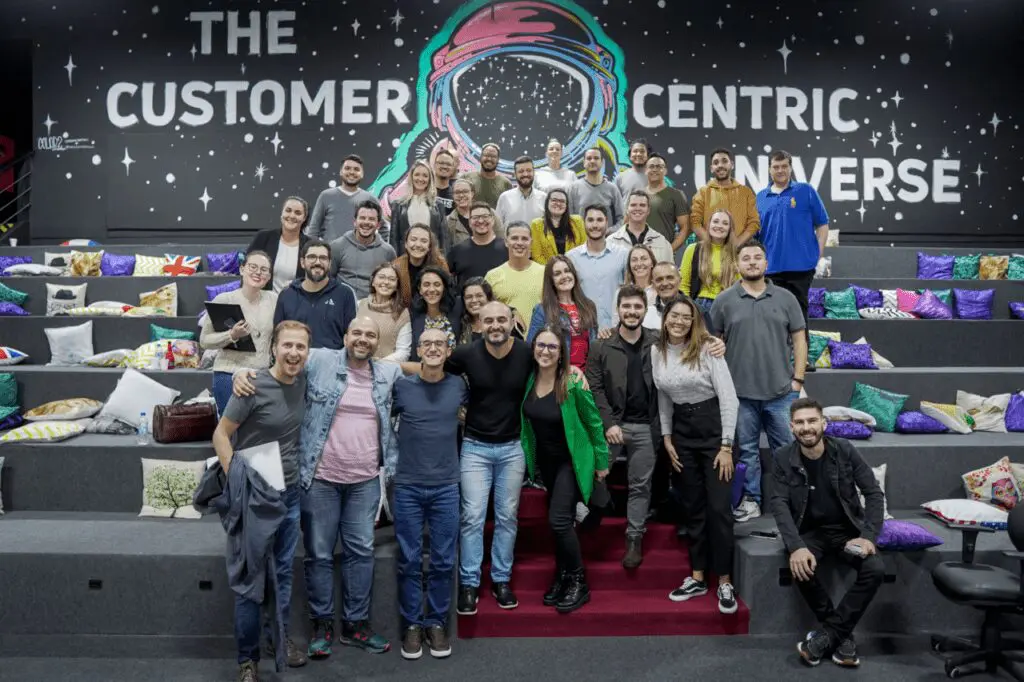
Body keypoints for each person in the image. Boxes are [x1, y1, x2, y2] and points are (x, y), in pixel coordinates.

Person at [233, 318, 403, 660]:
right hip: (320, 478)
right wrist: (243, 372)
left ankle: (356, 625)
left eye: (370, 335)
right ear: (345, 336)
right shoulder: (320, 359)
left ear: (378, 343)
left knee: (361, 552)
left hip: (365, 481)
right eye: (357, 333)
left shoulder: (389, 373)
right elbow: (284, 365)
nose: (363, 339)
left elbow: (421, 371)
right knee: (319, 554)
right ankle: (321, 626)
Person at [212, 321, 312, 679]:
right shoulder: (251, 385)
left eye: (300, 347)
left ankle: (278, 641)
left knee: (282, 574)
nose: (294, 353)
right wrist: (237, 481)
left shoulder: (303, 380)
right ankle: (247, 659)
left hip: (289, 495)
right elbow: (221, 435)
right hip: (255, 498)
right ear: (273, 348)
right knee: (250, 582)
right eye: (287, 345)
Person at [771, 398, 885, 668]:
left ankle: (827, 636)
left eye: (812, 421)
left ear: (823, 423)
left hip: (847, 530)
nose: (806, 427)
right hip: (809, 532)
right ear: (791, 427)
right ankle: (839, 635)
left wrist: (868, 536)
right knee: (800, 566)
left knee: (876, 569)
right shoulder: (782, 457)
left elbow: (873, 493)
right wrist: (796, 546)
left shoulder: (844, 450)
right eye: (799, 422)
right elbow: (779, 503)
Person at [709, 240, 807, 523]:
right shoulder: (723, 301)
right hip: (739, 395)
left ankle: (790, 501)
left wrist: (797, 380)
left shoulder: (786, 298)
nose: (752, 262)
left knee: (787, 451)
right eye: (746, 258)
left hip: (781, 393)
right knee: (747, 452)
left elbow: (800, 340)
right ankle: (752, 500)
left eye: (757, 257)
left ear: (766, 263)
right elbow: (714, 344)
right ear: (737, 265)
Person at [653, 295, 739, 615]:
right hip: (682, 433)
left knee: (718, 508)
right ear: (665, 318)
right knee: (693, 508)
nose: (679, 321)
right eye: (674, 315)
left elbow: (729, 398)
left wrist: (726, 446)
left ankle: (725, 581)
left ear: (694, 322)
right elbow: (664, 397)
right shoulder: (657, 351)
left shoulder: (707, 348)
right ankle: (698, 577)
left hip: (714, 429)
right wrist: (667, 437)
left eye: (685, 317)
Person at [447, 301, 534, 614]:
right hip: (475, 447)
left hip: (513, 447)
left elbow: (555, 368)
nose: (495, 325)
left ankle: (501, 579)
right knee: (472, 516)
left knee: (507, 517)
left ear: (512, 322)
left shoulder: (526, 353)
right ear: (479, 324)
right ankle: (469, 583)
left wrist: (575, 373)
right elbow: (435, 369)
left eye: (501, 319)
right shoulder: (466, 353)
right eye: (489, 321)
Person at [522, 325, 609, 613]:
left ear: (562, 353)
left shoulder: (572, 382)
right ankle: (562, 575)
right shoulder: (529, 378)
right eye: (541, 345)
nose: (545, 351)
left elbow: (594, 423)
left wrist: (602, 462)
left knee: (559, 521)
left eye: (552, 347)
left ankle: (578, 580)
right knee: (562, 521)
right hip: (545, 464)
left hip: (571, 461)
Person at [392, 328, 468, 661]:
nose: (434, 348)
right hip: (407, 485)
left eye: (440, 343)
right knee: (409, 559)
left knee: (443, 559)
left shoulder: (459, 386)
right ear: (418, 350)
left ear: (449, 351)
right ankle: (412, 624)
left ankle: (436, 622)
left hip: (446, 486)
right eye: (427, 344)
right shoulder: (402, 387)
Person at [585, 286, 659, 568]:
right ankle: (596, 510)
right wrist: (608, 424)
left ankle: (634, 538)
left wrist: (714, 342)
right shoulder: (601, 345)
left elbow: (691, 342)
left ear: (645, 310)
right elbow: (594, 388)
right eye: (626, 306)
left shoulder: (658, 341)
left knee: (640, 485)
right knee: (593, 474)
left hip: (646, 427)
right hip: (613, 425)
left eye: (637, 307)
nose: (632, 312)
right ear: (618, 310)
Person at [755, 149, 829, 370]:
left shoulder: (805, 191)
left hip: (801, 267)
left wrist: (818, 255)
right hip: (770, 269)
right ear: (769, 169)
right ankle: (776, 361)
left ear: (790, 168)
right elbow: (756, 235)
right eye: (776, 167)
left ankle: (801, 360)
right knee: (773, 316)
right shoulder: (760, 197)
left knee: (798, 315)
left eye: (784, 166)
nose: (780, 170)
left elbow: (822, 224)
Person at [201, 250, 278, 416]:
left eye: (264, 269)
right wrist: (231, 335)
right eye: (253, 267)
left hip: (261, 374)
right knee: (231, 427)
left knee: (259, 427)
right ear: (242, 269)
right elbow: (205, 340)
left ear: (269, 276)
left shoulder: (274, 300)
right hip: (228, 373)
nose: (258, 272)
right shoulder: (224, 299)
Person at [274, 240, 358, 350]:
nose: (317, 262)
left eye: (323, 258)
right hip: (294, 357)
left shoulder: (345, 294)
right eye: (312, 257)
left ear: (330, 263)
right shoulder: (287, 294)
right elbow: (278, 336)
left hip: (332, 359)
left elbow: (351, 336)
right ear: (302, 262)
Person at [526, 255, 598, 370]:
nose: (564, 276)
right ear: (551, 280)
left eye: (567, 271)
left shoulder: (589, 306)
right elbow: (532, 347)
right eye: (557, 274)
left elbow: (594, 344)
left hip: (586, 375)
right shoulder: (542, 310)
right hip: (557, 374)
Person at [567, 204, 629, 330]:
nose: (595, 225)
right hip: (583, 330)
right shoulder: (571, 258)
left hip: (616, 329)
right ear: (584, 223)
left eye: (599, 220)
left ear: (607, 222)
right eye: (590, 220)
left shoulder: (623, 254)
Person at [679, 209, 739, 326]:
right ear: (708, 225)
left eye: (725, 223)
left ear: (730, 229)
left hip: (728, 307)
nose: (719, 226)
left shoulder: (736, 254)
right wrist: (688, 308)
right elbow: (684, 285)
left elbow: (740, 286)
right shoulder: (693, 249)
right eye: (715, 221)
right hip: (699, 306)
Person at [690, 147, 760, 246]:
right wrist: (713, 245)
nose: (720, 165)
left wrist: (737, 243)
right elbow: (695, 222)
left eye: (724, 161)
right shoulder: (703, 193)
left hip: (739, 251)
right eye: (716, 163)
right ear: (711, 168)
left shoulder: (746, 192)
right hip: (710, 251)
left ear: (732, 165)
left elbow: (754, 223)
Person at [330, 199, 397, 299]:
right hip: (343, 303)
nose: (366, 222)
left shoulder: (388, 252)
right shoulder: (337, 246)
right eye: (362, 218)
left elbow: (392, 284)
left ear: (378, 225)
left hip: (375, 305)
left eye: (371, 219)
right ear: (355, 222)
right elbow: (328, 280)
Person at [484, 221, 545, 330]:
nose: (519, 243)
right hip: (506, 339)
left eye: (524, 239)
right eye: (514, 238)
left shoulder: (544, 272)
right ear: (506, 242)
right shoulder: (492, 276)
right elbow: (487, 313)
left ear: (531, 242)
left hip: (541, 338)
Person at [307, 154, 378, 243]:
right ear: (340, 172)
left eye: (356, 169)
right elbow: (313, 230)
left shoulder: (370, 199)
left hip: (361, 251)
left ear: (362, 174)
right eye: (347, 168)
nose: (352, 172)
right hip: (330, 251)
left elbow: (383, 229)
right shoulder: (326, 196)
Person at [246, 196, 311, 293]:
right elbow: (247, 270)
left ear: (304, 218)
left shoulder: (309, 245)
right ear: (282, 213)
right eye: (288, 210)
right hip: (261, 299)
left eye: (297, 213)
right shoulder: (263, 238)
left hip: (296, 300)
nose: (292, 215)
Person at [390, 160, 447, 257]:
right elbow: (394, 238)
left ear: (430, 179)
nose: (420, 179)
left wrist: (443, 261)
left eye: (425, 175)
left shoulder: (438, 205)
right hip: (405, 258)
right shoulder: (398, 205)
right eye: (417, 174)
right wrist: (395, 261)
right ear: (411, 177)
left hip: (431, 258)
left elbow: (444, 238)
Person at [356, 262, 412, 361]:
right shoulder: (358, 305)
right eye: (381, 277)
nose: (386, 282)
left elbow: (403, 352)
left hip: (385, 367)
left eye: (392, 279)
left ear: (397, 286)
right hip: (355, 364)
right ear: (373, 281)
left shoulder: (402, 313)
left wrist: (377, 364)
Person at [446, 202, 508, 285]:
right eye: (475, 217)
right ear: (469, 222)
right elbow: (445, 277)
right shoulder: (458, 250)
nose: (480, 221)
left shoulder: (506, 248)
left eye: (485, 216)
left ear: (493, 220)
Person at [409, 266, 462, 360]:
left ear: (444, 288)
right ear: (420, 289)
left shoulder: (458, 307)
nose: (432, 289)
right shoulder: (413, 315)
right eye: (426, 285)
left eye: (437, 284)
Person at [607, 190, 674, 264]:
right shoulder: (610, 242)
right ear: (627, 209)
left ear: (648, 210)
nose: (637, 208)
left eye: (642, 205)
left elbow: (669, 270)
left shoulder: (662, 243)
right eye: (633, 205)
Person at [393, 224, 450, 308]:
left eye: (424, 241)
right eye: (413, 239)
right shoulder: (396, 266)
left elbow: (448, 292)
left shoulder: (440, 264)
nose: (418, 244)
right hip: (404, 311)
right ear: (406, 244)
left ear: (429, 246)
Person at [643, 153, 691, 251]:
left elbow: (685, 228)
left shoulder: (676, 195)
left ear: (665, 171)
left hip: (664, 252)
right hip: (639, 253)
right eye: (651, 166)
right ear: (645, 170)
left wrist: (670, 250)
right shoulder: (638, 195)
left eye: (659, 166)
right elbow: (627, 224)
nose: (655, 169)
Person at [568, 147, 623, 227]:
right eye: (589, 158)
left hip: (607, 235)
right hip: (581, 235)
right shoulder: (574, 188)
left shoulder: (612, 189)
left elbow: (622, 218)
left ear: (602, 162)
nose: (592, 161)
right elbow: (568, 218)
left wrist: (610, 231)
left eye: (596, 158)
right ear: (584, 162)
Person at [529, 189, 586, 265]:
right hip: (547, 269)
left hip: (575, 268)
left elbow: (583, 248)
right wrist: (553, 269)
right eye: (554, 200)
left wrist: (570, 268)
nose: (558, 203)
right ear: (547, 203)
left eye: (562, 201)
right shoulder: (536, 224)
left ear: (566, 205)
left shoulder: (577, 221)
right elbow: (537, 255)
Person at [445, 179, 505, 248]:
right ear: (453, 195)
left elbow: (501, 239)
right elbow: (447, 247)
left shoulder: (490, 213)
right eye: (457, 192)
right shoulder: (448, 221)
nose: (461, 195)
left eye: (465, 191)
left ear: (472, 193)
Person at [495, 156, 546, 226]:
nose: (525, 174)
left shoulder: (544, 198)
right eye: (521, 171)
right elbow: (497, 227)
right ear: (515, 174)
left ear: (534, 172)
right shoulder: (504, 198)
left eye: (529, 170)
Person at [461, 142, 512, 208]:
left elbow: (507, 209)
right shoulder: (466, 178)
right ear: (480, 157)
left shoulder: (506, 183)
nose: (489, 159)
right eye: (486, 155)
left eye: (493, 156)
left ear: (498, 160)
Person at [643, 261, 682, 330]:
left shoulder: (696, 310)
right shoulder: (646, 315)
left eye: (670, 278)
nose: (665, 283)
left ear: (680, 280)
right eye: (659, 279)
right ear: (653, 284)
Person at [458, 277, 494, 345]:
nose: (474, 300)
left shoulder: (499, 324)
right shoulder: (459, 325)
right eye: (469, 297)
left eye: (479, 296)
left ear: (488, 298)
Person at [433, 148, 458, 213]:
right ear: (434, 165)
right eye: (441, 163)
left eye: (448, 164)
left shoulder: (456, 196)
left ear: (453, 168)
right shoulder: (424, 190)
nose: (444, 166)